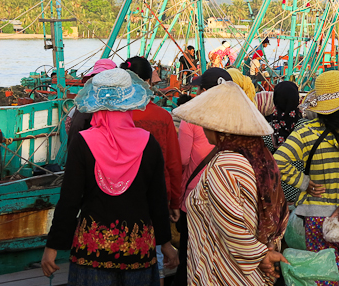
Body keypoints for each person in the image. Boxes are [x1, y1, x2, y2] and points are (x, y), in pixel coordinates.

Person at [42, 68, 178, 285]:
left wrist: (52, 246)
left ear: (96, 103)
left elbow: (69, 199)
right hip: (139, 250)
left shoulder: (83, 142)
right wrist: (166, 243)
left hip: (92, 251)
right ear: (129, 102)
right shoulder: (148, 143)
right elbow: (158, 200)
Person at [173, 80, 290, 285]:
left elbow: (231, 226)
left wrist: (260, 255)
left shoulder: (224, 165)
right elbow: (279, 210)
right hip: (252, 274)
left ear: (220, 128)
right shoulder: (260, 156)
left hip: (224, 272)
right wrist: (268, 249)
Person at [275, 71, 339, 285]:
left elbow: (277, 162)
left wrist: (305, 183)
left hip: (316, 219)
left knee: (323, 279)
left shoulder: (305, 132)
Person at [120, 57, 183, 285]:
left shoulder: (112, 116)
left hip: (117, 197)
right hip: (156, 198)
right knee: (156, 254)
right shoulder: (163, 117)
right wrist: (175, 202)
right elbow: (174, 165)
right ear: (148, 81)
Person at [173, 67, 232, 286]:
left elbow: (182, 160)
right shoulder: (239, 119)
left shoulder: (192, 118)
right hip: (228, 199)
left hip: (195, 199)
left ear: (205, 91)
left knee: (190, 256)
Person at [261, 81, 306, 202]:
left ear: (275, 101)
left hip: (278, 197)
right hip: (304, 193)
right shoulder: (306, 128)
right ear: (297, 100)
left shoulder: (268, 131)